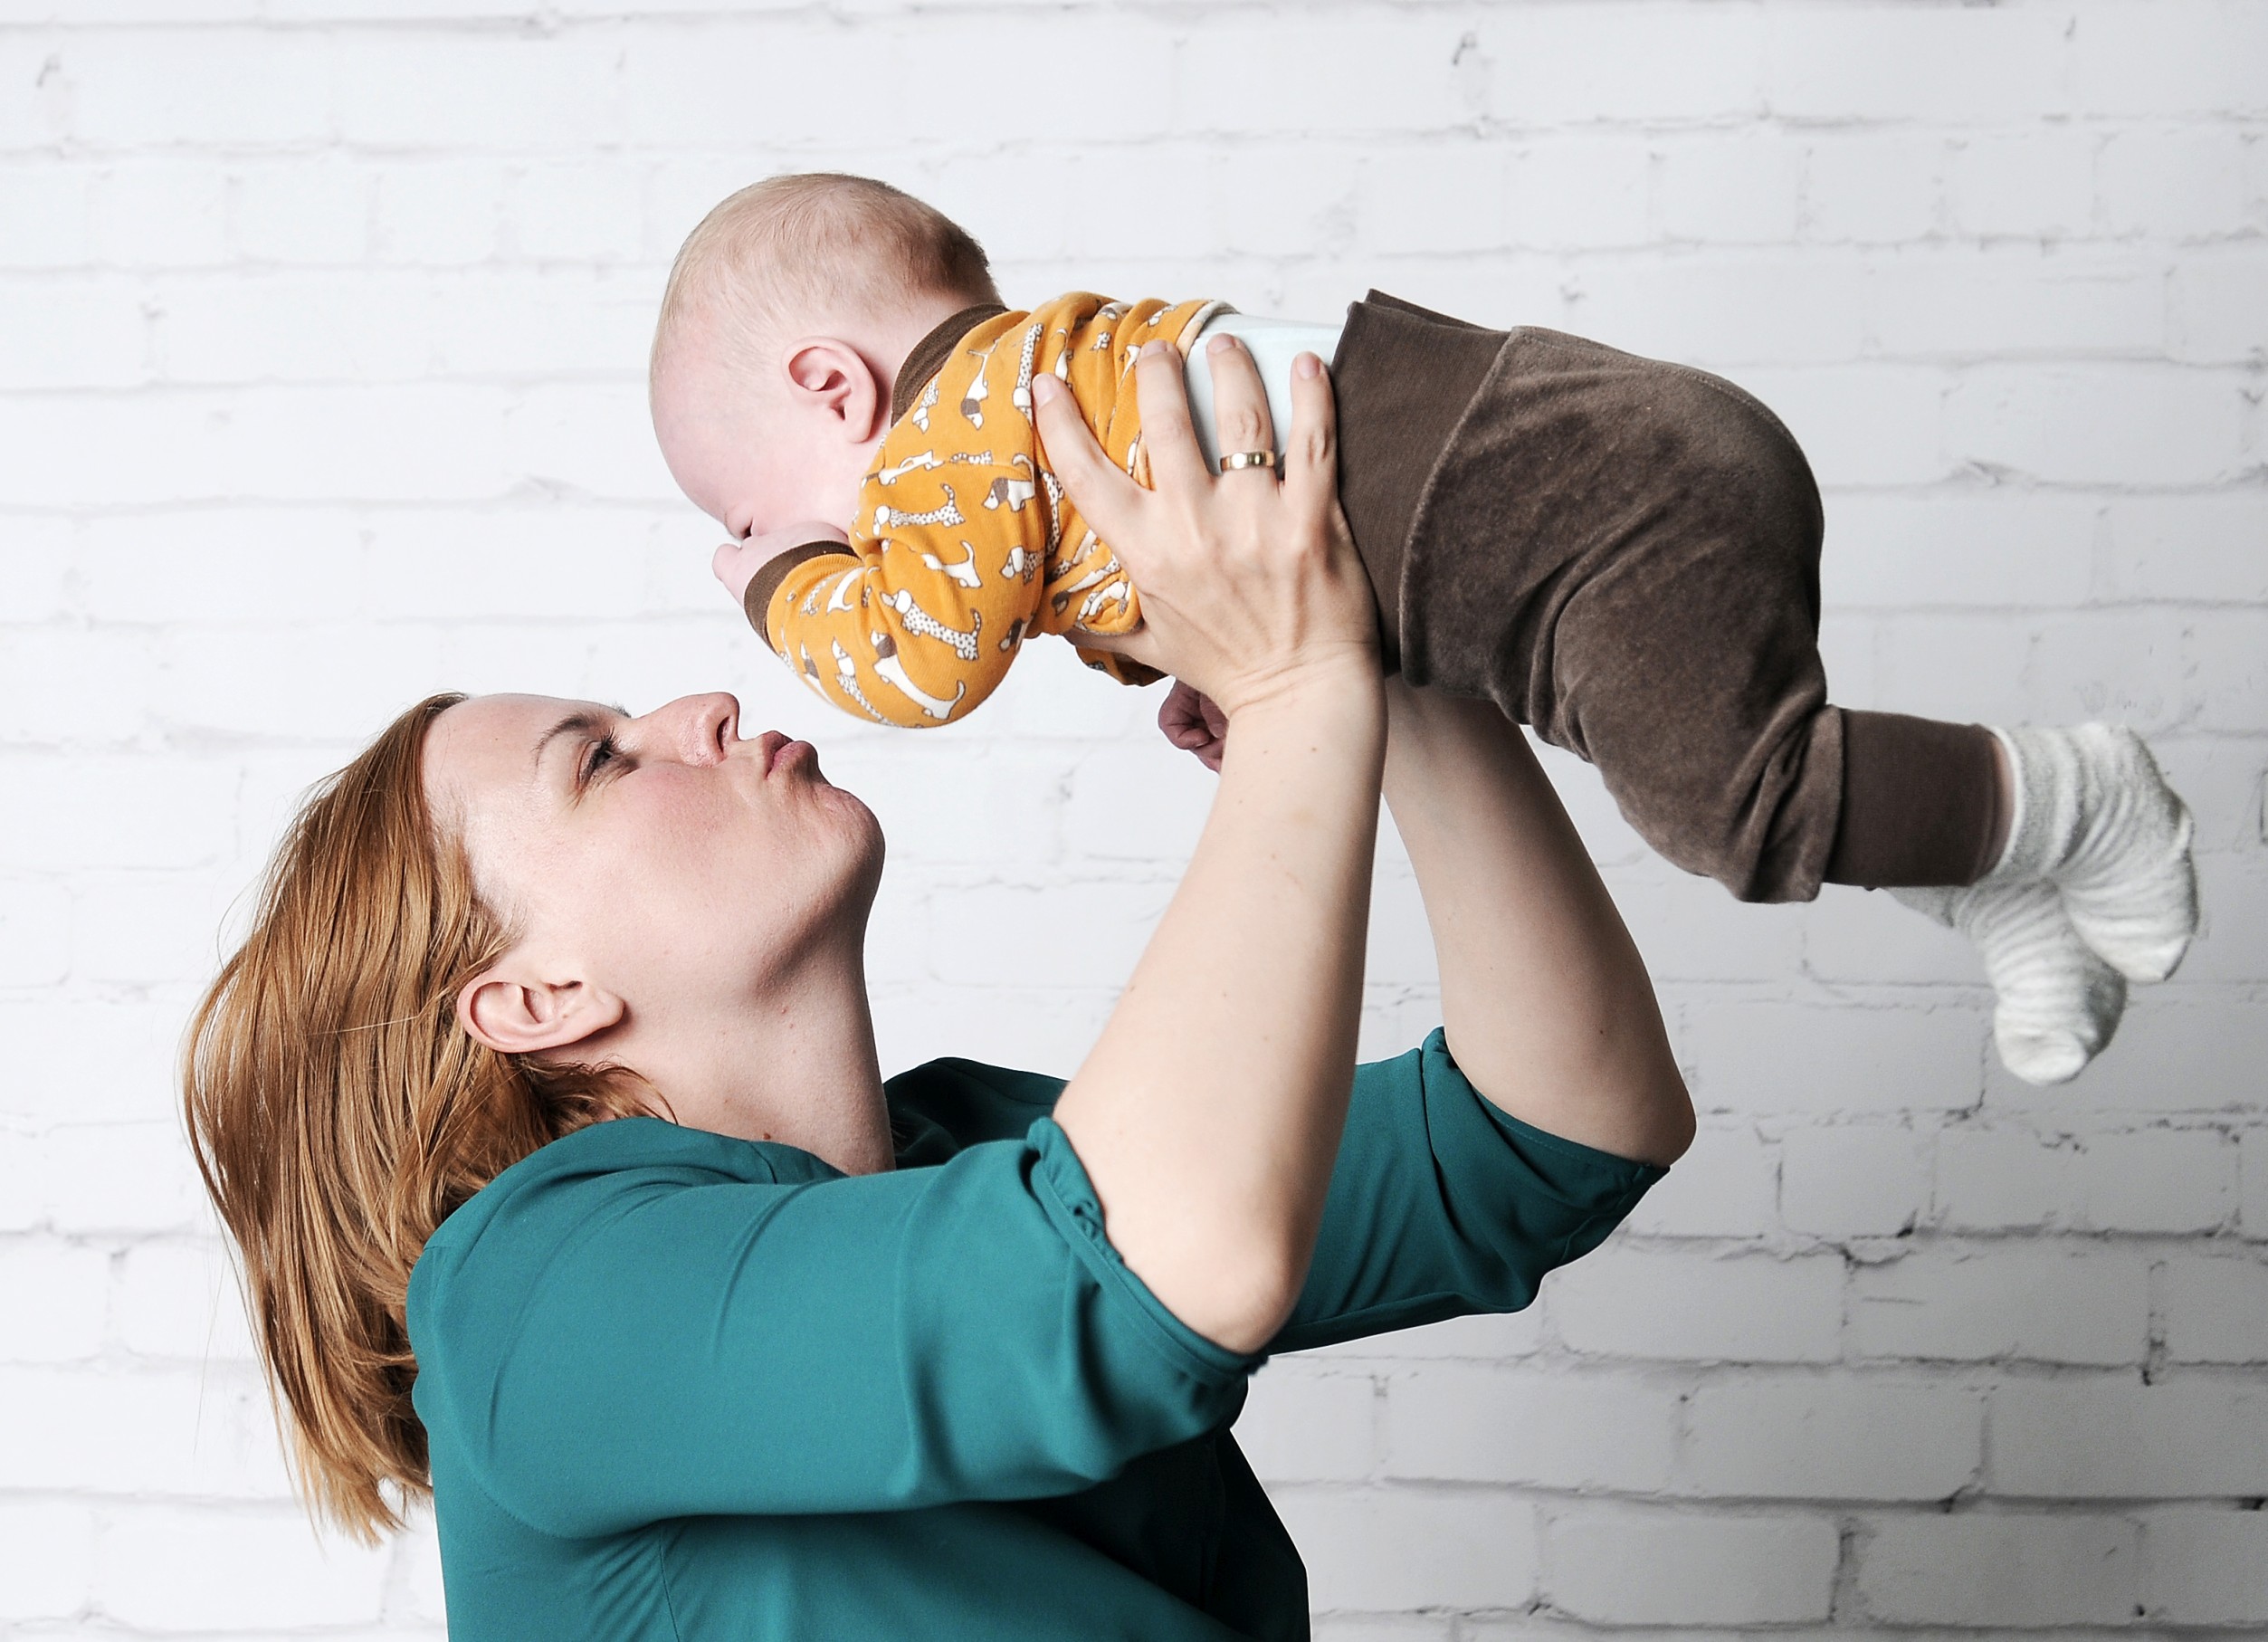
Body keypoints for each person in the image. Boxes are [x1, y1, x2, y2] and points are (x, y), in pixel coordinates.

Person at [185, 340, 1693, 1640]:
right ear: (535, 997)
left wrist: (1375, 650)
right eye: (599, 759)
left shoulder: (976, 1155)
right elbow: (1134, 1279)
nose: (699, 705)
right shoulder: (528, 1292)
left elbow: (1554, 1130)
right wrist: (1293, 693)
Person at [646, 172, 2197, 1086]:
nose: (806, 542)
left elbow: (916, 663)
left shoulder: (954, 426)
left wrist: (776, 581)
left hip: (1569, 493)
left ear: (832, 389)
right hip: (1553, 488)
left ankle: (2077, 793)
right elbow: (1223, 550)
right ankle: (2003, 877)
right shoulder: (1049, 398)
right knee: (1746, 786)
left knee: (1734, 807)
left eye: (759, 503)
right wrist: (1210, 668)